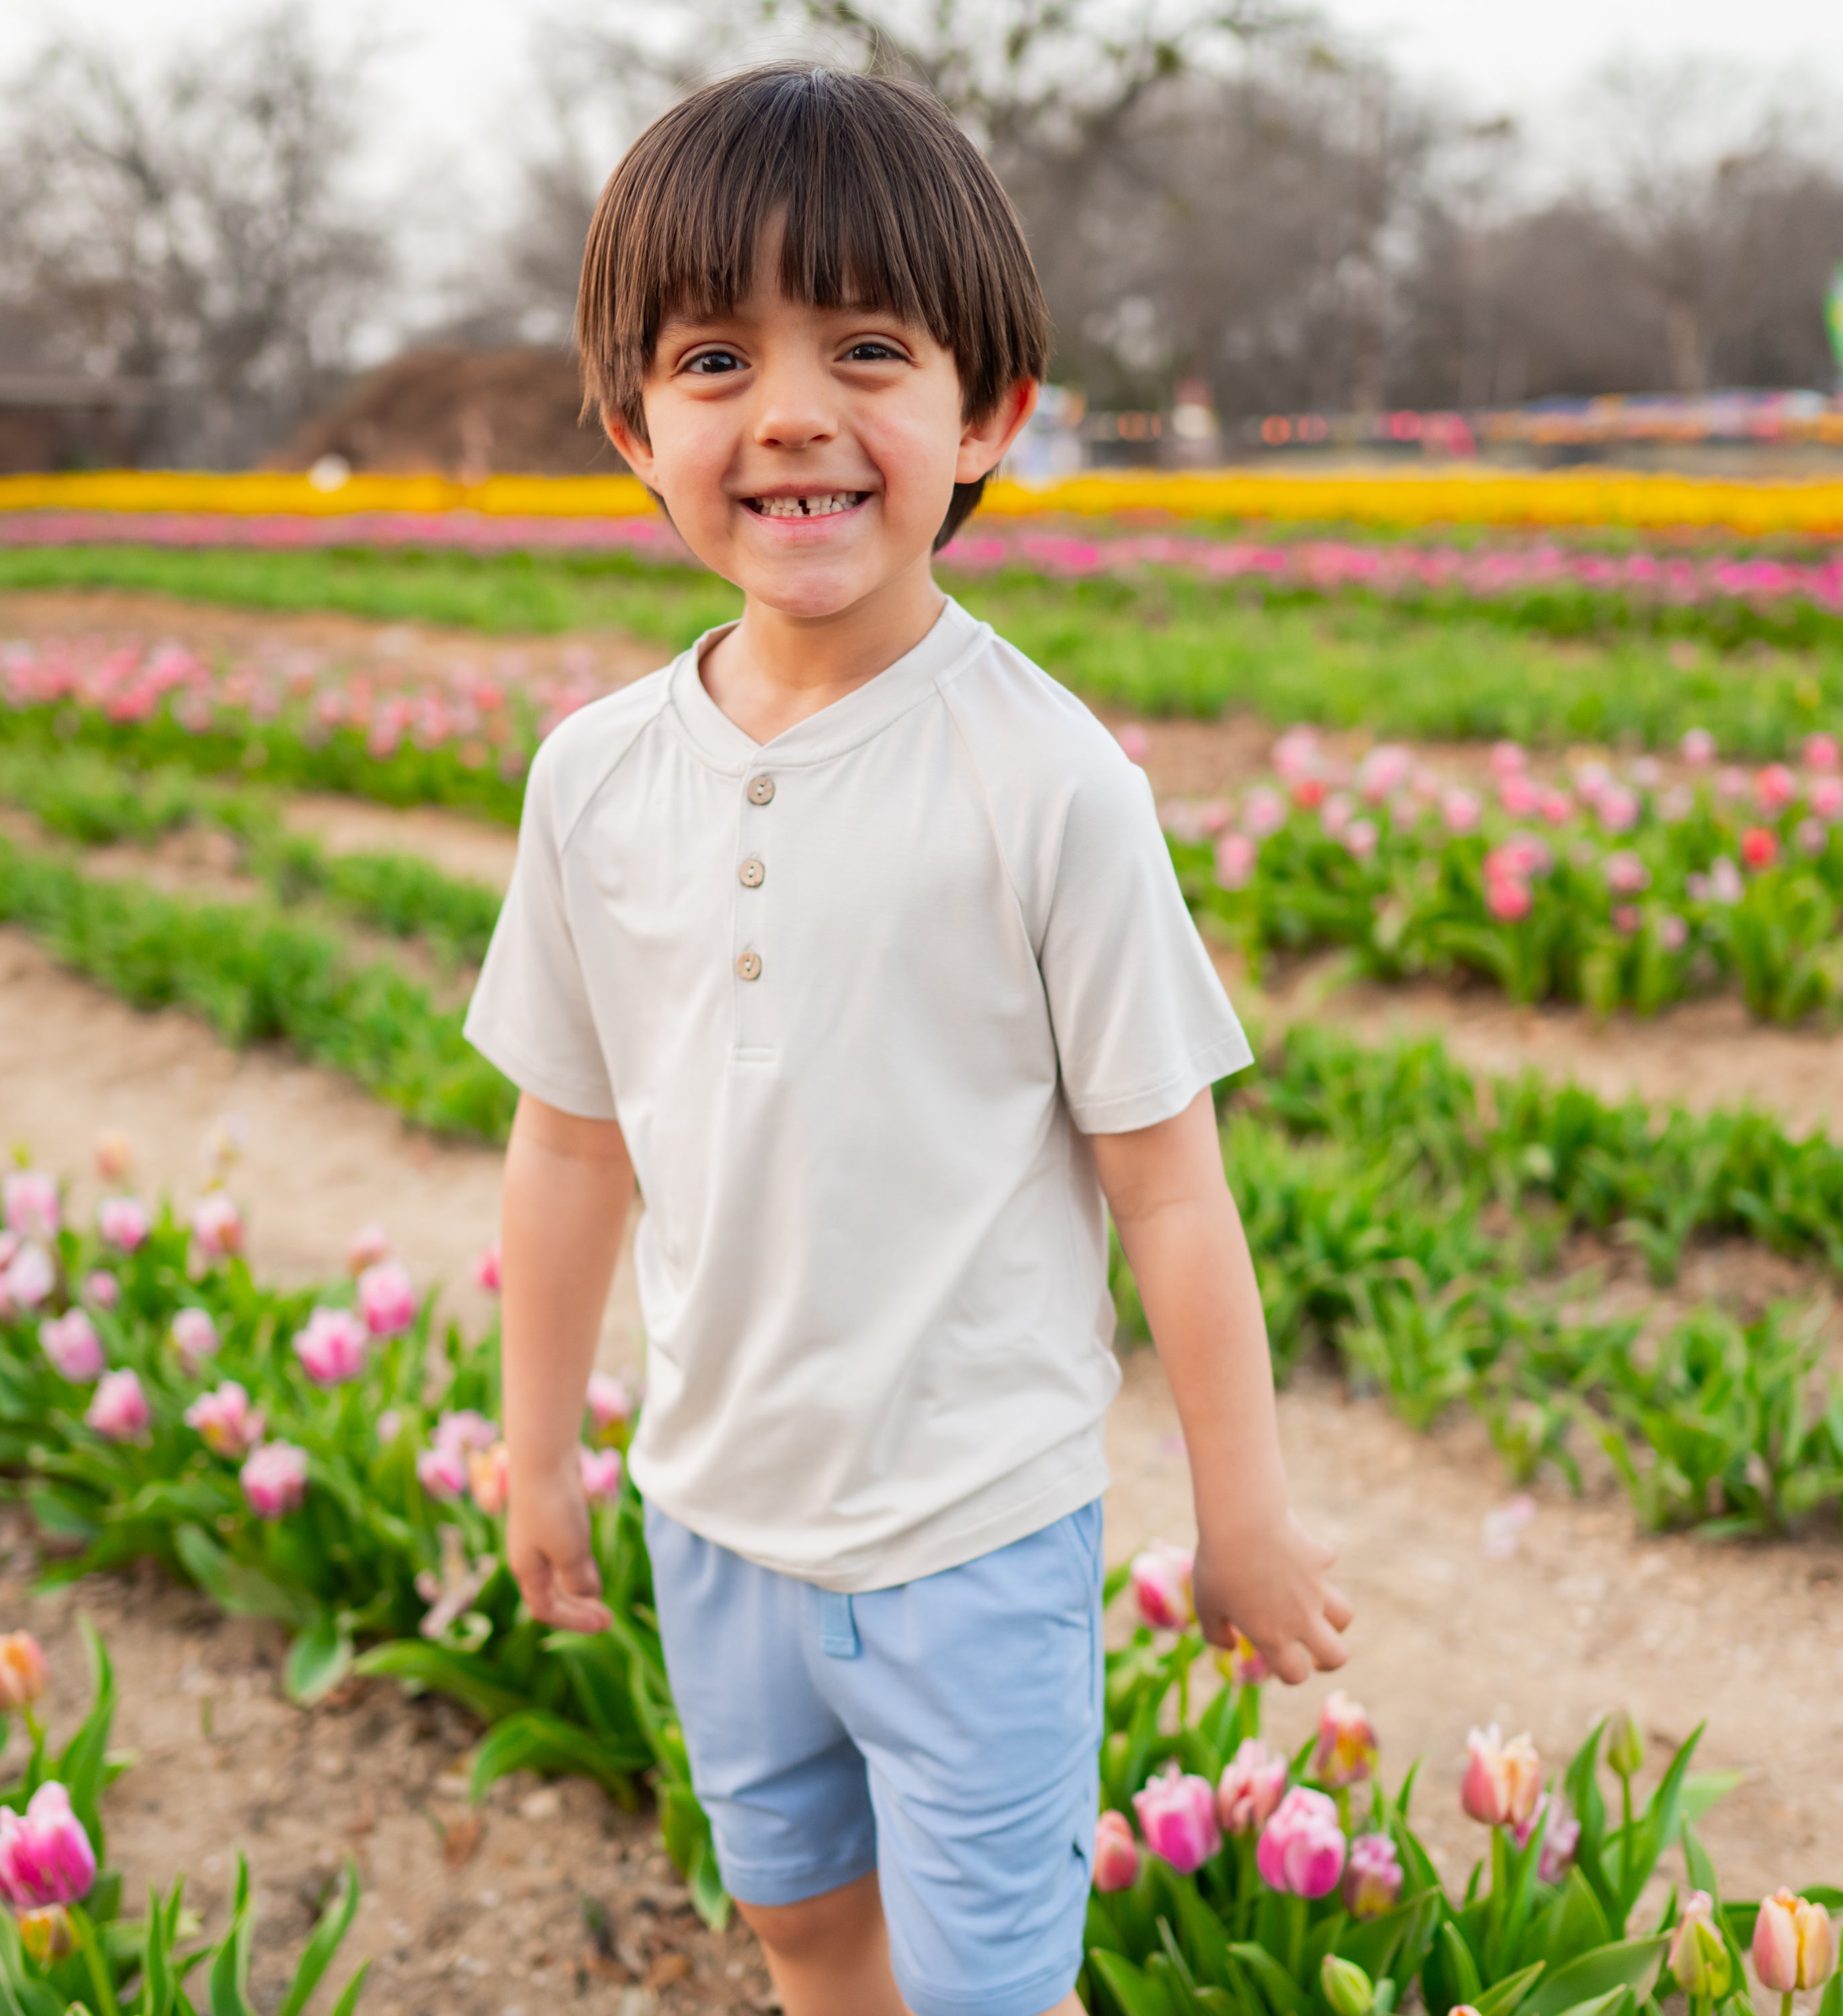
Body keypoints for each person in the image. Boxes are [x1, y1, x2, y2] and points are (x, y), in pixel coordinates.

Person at [465, 62, 1351, 2016]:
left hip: (974, 1538)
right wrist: (540, 1455)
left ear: (988, 415)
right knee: (795, 1921)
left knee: (990, 1987)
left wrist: (1246, 1517)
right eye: (716, 359)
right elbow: (569, 1141)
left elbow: (1172, 1192)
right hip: (711, 1511)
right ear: (632, 427)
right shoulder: (596, 781)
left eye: (868, 346)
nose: (792, 413)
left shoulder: (1048, 786)